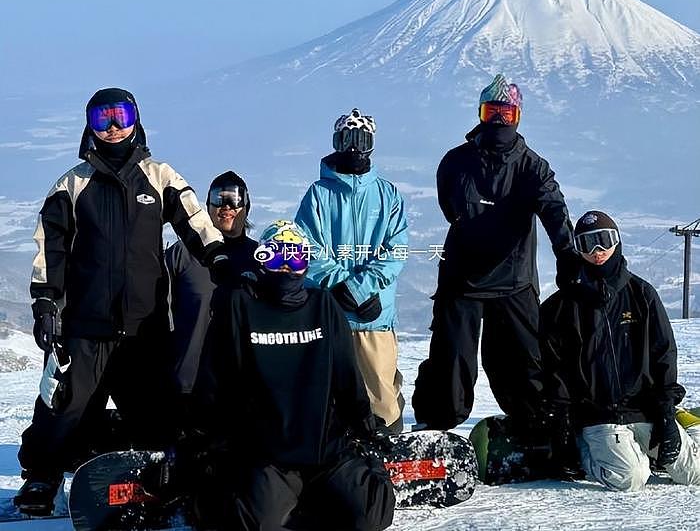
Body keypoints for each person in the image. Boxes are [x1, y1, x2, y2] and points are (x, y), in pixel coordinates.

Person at [14, 88, 226, 515]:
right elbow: (50, 248)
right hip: (84, 327)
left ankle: (163, 481)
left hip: (144, 327)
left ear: (137, 120)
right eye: (101, 118)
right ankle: (42, 478)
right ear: (89, 125)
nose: (112, 127)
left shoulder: (159, 175)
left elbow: (194, 221)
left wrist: (218, 257)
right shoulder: (73, 184)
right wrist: (45, 303)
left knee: (156, 418)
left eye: (121, 116)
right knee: (64, 406)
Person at [182, 220, 396, 530]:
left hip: (326, 449)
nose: (286, 267)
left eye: (296, 257)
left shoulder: (323, 306)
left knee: (369, 516)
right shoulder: (240, 305)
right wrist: (203, 436)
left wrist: (364, 424)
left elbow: (347, 377)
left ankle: (352, 477)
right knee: (256, 523)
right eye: (276, 257)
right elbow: (215, 377)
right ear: (261, 260)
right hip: (266, 455)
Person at [412, 73, 577, 431]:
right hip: (462, 278)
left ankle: (535, 426)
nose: (499, 121)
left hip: (514, 281)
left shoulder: (533, 166)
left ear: (518, 117)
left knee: (521, 362)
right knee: (451, 359)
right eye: (492, 113)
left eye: (507, 114)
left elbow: (554, 207)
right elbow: (451, 207)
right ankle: (436, 425)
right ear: (480, 114)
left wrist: (567, 252)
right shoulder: (455, 162)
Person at [540, 210, 700, 491]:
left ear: (617, 242)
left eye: (604, 240)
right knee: (629, 478)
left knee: (693, 474)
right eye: (588, 243)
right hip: (598, 416)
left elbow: (664, 354)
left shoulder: (641, 294)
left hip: (644, 409)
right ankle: (592, 451)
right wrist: (563, 425)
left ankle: (675, 430)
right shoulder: (562, 307)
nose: (598, 251)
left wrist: (665, 413)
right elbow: (555, 371)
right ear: (578, 249)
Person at [295, 108, 409, 434]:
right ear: (336, 142)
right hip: (331, 314)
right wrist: (340, 286)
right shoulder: (319, 194)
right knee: (329, 395)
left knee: (381, 394)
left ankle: (389, 454)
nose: (355, 148)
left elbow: (396, 250)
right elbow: (306, 247)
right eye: (347, 139)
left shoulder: (387, 195)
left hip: (376, 316)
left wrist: (361, 289)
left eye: (362, 140)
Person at [165, 170, 258, 411]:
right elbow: (160, 316)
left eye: (234, 199)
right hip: (189, 382)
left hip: (245, 381)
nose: (226, 206)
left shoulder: (260, 257)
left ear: (246, 206)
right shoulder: (181, 254)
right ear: (206, 207)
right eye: (218, 199)